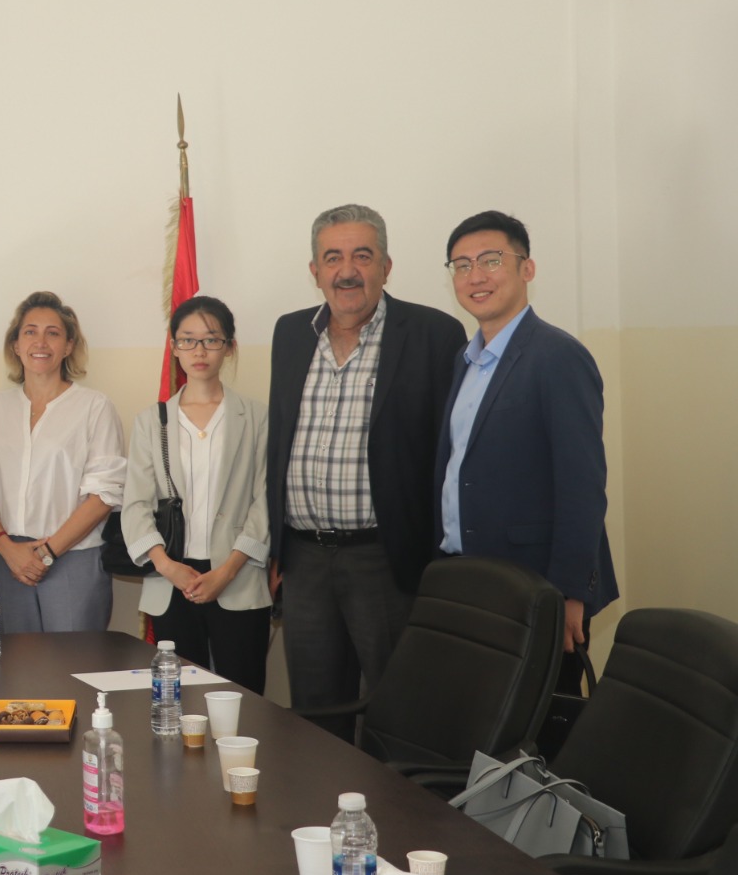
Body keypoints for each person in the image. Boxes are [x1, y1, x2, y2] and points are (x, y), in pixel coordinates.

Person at [266, 204, 466, 736]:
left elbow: (451, 454)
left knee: (397, 711)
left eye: (362, 255)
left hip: (387, 561)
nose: (347, 271)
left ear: (386, 266)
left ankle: (394, 795)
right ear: (315, 271)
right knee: (316, 716)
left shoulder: (434, 334)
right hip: (305, 561)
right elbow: (279, 441)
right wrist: (276, 548)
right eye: (333, 258)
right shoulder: (291, 334)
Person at [436, 210, 616, 692]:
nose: (475, 276)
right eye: (462, 265)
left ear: (527, 269)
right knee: (479, 715)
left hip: (536, 586)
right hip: (470, 575)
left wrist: (570, 593)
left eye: (491, 260)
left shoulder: (558, 356)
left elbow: (582, 485)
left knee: (538, 722)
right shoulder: (465, 360)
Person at [122, 296, 272, 692]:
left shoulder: (257, 417)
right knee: (179, 699)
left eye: (211, 339)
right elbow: (135, 504)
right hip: (171, 580)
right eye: (188, 340)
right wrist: (166, 565)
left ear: (229, 346)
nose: (199, 351)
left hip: (238, 578)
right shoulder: (151, 422)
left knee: (242, 696)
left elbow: (266, 500)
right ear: (174, 347)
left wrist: (228, 570)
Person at [0, 291, 125, 634]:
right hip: (3, 557)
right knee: (9, 662)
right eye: (30, 332)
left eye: (53, 333)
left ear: (69, 346)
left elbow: (105, 494)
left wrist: (47, 553)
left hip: (73, 557)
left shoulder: (95, 407)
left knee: (73, 661)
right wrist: (7, 548)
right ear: (15, 344)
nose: (40, 342)